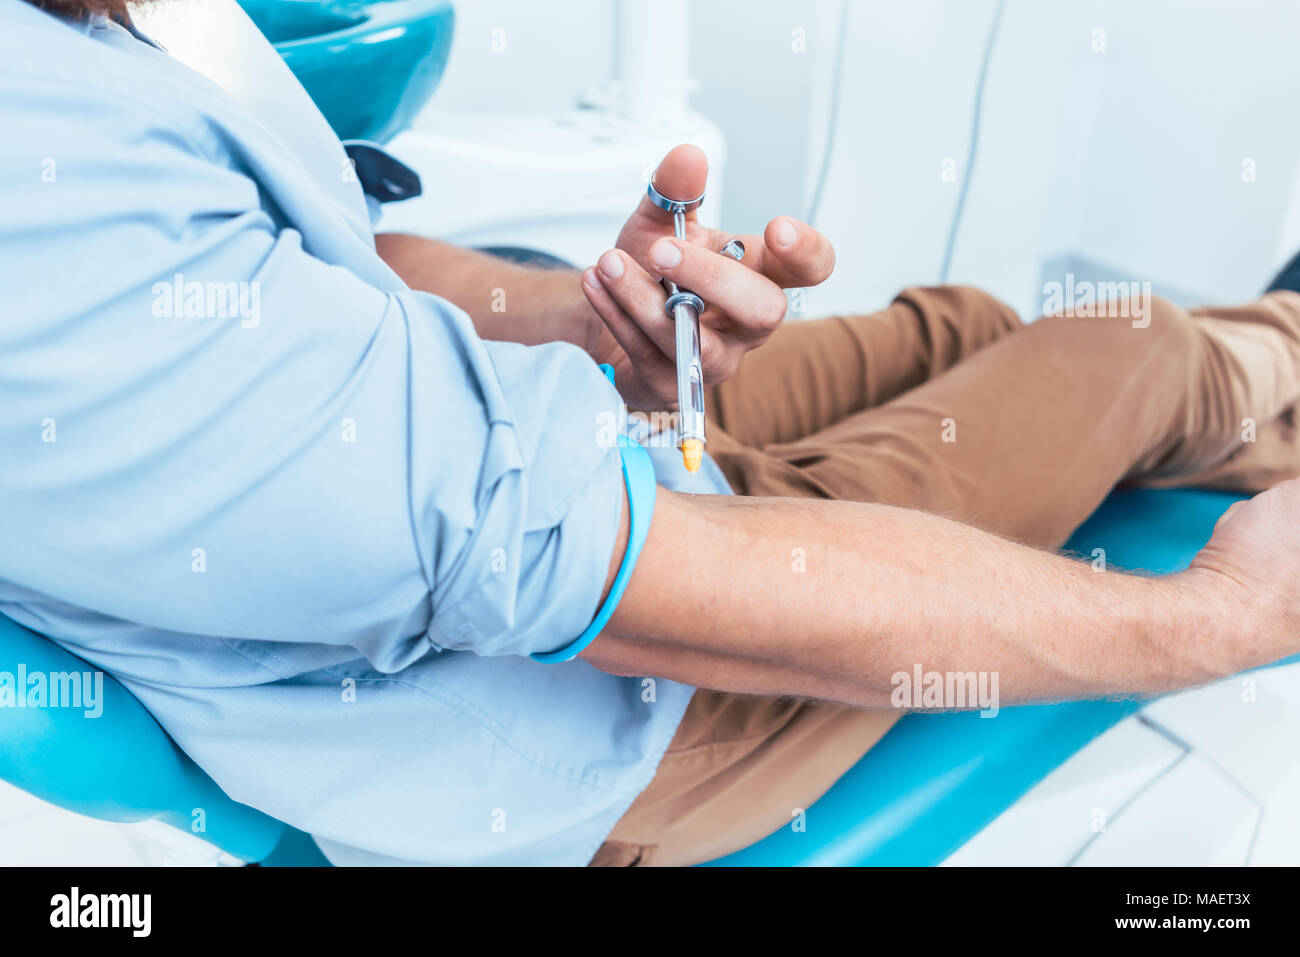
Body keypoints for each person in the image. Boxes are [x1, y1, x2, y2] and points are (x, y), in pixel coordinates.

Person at [3, 0, 1300, 867]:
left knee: (960, 325)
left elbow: (336, 257)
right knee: (1118, 348)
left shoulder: (77, 50)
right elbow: (614, 577)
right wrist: (1221, 620)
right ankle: (1275, 355)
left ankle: (1267, 368)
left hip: (545, 479)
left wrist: (586, 323)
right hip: (597, 708)